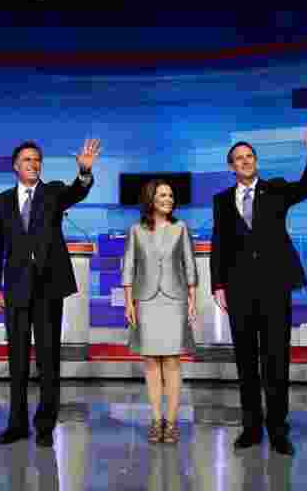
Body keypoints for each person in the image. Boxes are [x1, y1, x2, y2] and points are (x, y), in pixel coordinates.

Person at [210, 119, 307, 456]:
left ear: (255, 162)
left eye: (250, 156)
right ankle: (251, 428)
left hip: (275, 286)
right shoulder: (221, 200)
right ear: (231, 167)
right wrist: (218, 283)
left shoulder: (275, 189)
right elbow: (220, 243)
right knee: (246, 361)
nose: (246, 161)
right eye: (239, 158)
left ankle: (278, 429)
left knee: (276, 359)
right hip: (239, 288)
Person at [0, 139, 100, 447]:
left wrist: (84, 172)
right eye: (27, 160)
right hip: (16, 289)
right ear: (15, 165)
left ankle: (46, 424)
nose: (33, 164)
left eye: (37, 160)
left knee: (48, 359)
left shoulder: (53, 192)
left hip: (48, 287)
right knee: (18, 360)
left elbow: (78, 190)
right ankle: (17, 424)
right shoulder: (0, 201)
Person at [121, 179, 198, 444]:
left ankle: (172, 422)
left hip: (175, 300)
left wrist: (192, 299)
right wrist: (128, 302)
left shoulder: (181, 228)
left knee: (173, 363)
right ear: (150, 199)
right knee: (152, 362)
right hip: (146, 299)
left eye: (171, 195)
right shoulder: (136, 230)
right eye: (163, 195)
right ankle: (156, 420)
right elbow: (129, 267)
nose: (169, 199)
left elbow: (189, 264)